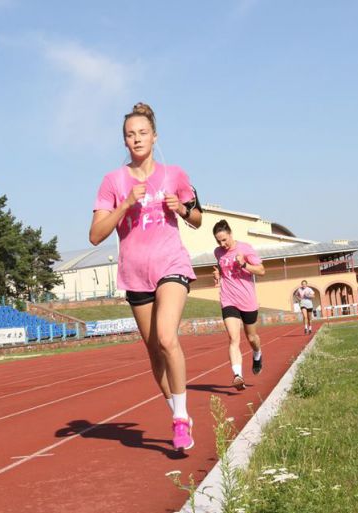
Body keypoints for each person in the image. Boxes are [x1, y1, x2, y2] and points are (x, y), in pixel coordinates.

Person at [89, 102, 202, 452]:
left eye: (142, 133)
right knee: (155, 353)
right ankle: (176, 408)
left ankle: (181, 420)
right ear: (124, 142)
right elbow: (95, 235)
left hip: (171, 264)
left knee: (168, 338)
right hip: (135, 274)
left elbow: (198, 218)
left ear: (154, 136)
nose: (136, 139)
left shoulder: (175, 174)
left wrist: (181, 209)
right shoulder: (113, 181)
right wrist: (124, 205)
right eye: (129, 134)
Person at [211, 220, 265, 391]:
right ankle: (237, 375)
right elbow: (223, 268)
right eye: (219, 241)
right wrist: (218, 274)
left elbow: (262, 270)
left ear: (230, 233)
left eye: (224, 239)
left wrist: (244, 264)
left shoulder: (245, 248)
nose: (222, 244)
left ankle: (257, 354)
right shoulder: (218, 252)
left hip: (247, 300)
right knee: (234, 338)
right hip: (228, 299)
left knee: (252, 338)